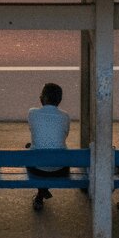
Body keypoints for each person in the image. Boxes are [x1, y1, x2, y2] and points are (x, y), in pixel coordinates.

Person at [27, 82, 71, 212]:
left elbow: (33, 130)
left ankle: (41, 194)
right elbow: (64, 136)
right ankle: (41, 195)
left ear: (44, 98)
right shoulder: (65, 116)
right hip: (60, 169)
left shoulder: (32, 113)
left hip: (37, 169)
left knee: (30, 148)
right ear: (59, 100)